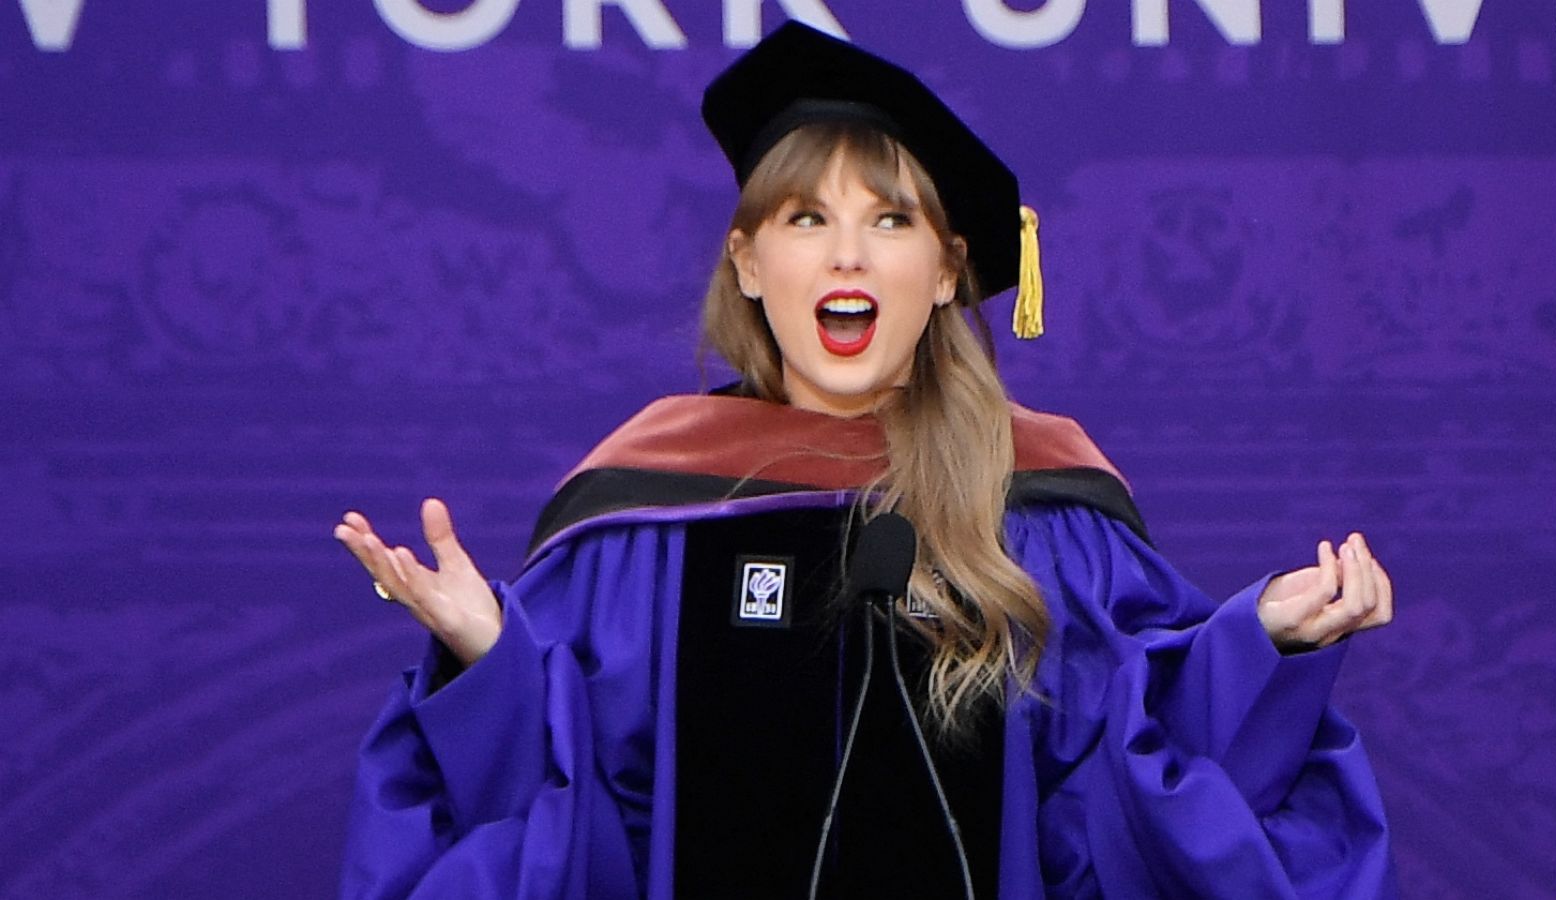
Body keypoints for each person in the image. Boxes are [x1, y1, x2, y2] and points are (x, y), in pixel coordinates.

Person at [334, 22, 1398, 899]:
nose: (846, 254)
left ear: (945, 271)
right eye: (806, 218)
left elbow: (1120, 779)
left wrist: (1263, 645)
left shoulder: (1042, 507)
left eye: (890, 219)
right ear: (749, 263)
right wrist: (487, 664)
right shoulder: (643, 511)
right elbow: (581, 812)